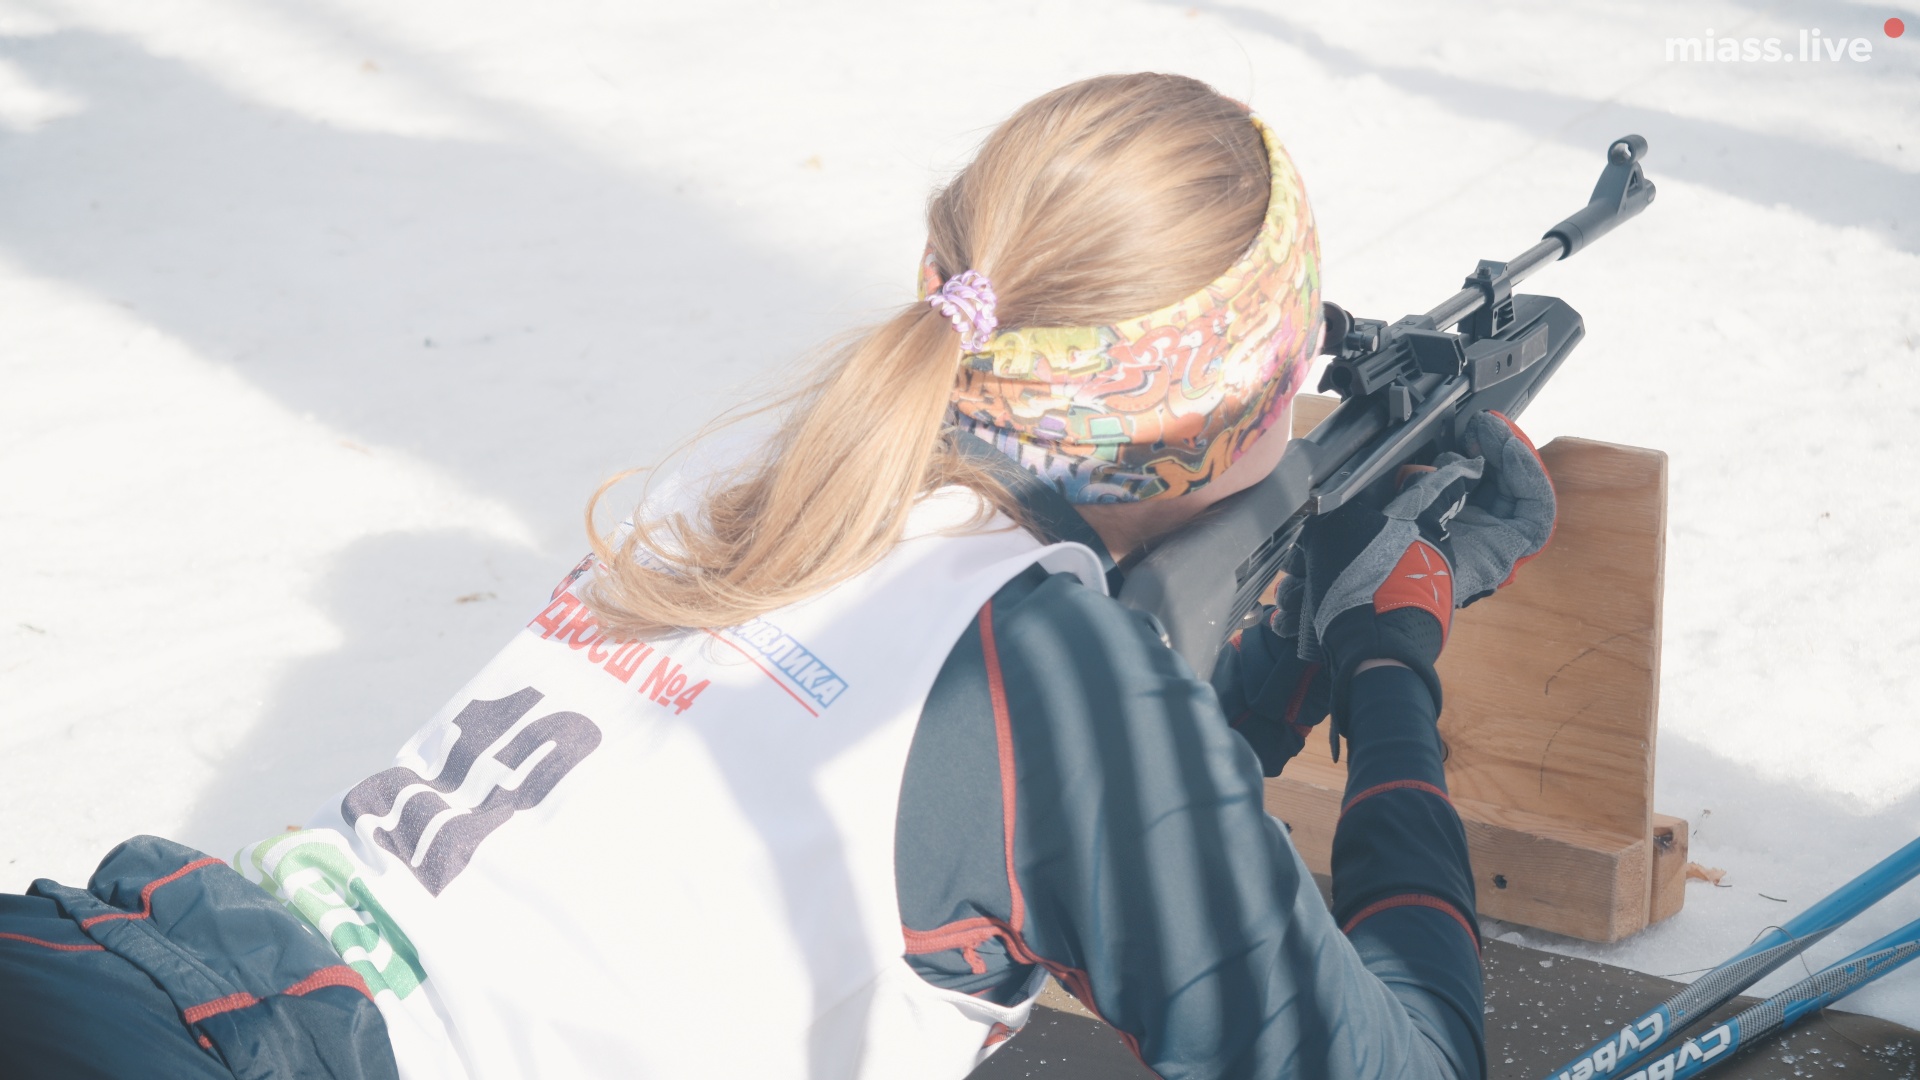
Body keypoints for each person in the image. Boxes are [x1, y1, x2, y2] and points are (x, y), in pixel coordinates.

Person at [0, 72, 1554, 1079]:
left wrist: (1239, 681)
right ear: (1258, 407)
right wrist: (1389, 651)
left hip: (138, 972)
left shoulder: (772, 482)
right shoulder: (1044, 676)